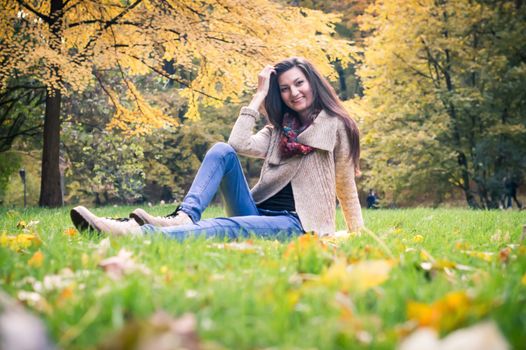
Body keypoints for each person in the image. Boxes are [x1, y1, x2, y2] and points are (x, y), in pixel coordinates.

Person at [70, 57, 364, 240]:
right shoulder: (279, 128)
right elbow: (238, 144)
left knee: (225, 227)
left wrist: (357, 233)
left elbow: (345, 185)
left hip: (297, 223)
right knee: (221, 150)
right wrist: (258, 96)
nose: (294, 93)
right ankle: (184, 217)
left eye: (299, 83)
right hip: (255, 210)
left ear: (312, 82)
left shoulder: (336, 125)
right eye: (285, 88)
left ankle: (133, 233)